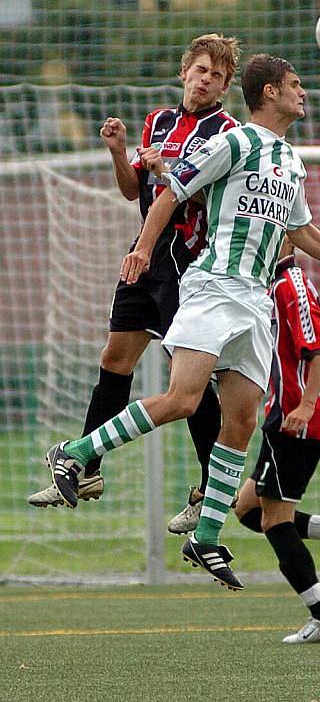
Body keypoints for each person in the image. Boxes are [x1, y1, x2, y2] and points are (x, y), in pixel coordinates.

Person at [43, 54, 320, 591]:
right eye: (296, 85)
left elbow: (302, 232)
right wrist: (141, 250)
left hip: (255, 302)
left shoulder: (290, 160)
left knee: (241, 423)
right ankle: (73, 452)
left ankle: (205, 536)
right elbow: (169, 192)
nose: (304, 93)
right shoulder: (232, 142)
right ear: (272, 92)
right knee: (184, 399)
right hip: (213, 286)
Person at [28, 33, 240, 508]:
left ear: (224, 89)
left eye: (217, 76)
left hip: (184, 257)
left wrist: (167, 170)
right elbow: (132, 192)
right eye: (201, 70)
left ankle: (210, 488)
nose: (206, 80)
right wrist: (119, 152)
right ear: (185, 71)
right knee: (114, 359)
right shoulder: (158, 121)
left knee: (186, 375)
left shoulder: (227, 132)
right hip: (144, 250)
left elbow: (209, 197)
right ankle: (87, 470)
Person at [233, 237, 320, 644]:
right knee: (247, 509)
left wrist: (306, 404)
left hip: (298, 419)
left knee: (275, 520)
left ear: (283, 239)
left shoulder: (293, 285)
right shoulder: (270, 286)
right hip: (283, 415)